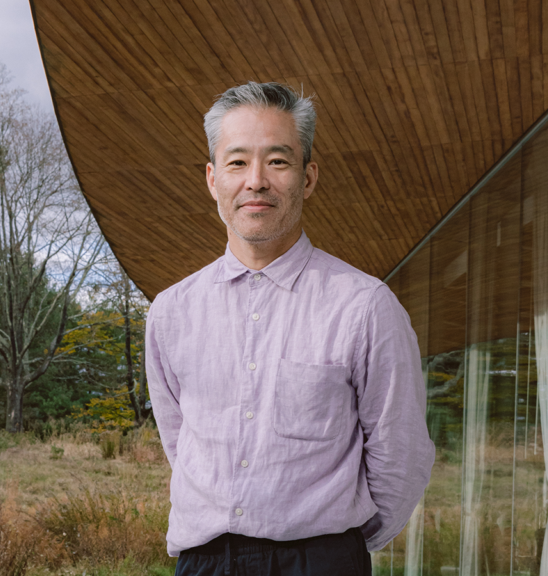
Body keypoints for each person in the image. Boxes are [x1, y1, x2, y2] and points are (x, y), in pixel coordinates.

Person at [145, 81, 434, 576]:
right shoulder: (171, 312)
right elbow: (180, 442)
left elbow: (400, 453)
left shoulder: (365, 306)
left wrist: (336, 548)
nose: (256, 180)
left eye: (277, 161)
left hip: (321, 560)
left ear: (308, 177)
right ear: (213, 179)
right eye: (238, 162)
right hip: (205, 563)